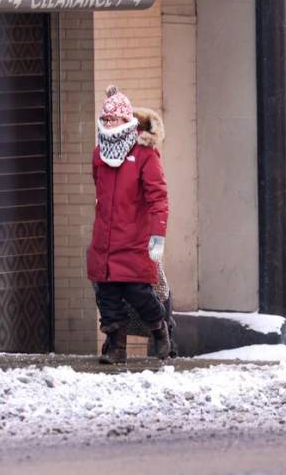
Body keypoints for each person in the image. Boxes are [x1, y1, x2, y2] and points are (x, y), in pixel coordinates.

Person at [87, 85, 171, 364]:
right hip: (105, 240)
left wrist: (157, 236)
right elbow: (99, 189)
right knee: (108, 299)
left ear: (127, 120)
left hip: (134, 240)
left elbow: (158, 198)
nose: (109, 123)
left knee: (139, 293)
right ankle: (116, 348)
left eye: (115, 119)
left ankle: (160, 329)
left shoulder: (145, 155)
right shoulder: (99, 154)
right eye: (106, 119)